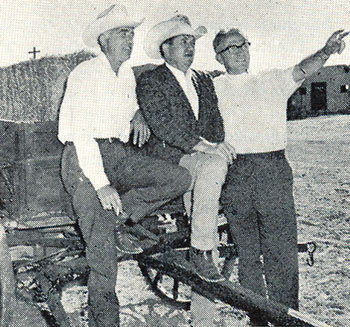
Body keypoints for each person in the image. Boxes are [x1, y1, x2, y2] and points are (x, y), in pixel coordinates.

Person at [58, 4, 191, 326]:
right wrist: (101, 185)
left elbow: (130, 104)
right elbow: (81, 135)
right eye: (122, 33)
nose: (129, 40)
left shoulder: (126, 74)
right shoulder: (85, 73)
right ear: (103, 39)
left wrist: (138, 114)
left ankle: (121, 222)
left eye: (131, 34)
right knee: (104, 261)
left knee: (178, 178)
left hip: (118, 155)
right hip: (83, 160)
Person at [213, 28, 348, 326]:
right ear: (218, 57)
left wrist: (326, 51)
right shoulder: (212, 88)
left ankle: (288, 317)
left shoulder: (271, 80)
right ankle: (257, 317)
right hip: (235, 173)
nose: (239, 51)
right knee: (248, 253)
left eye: (242, 44)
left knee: (281, 251)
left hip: (273, 170)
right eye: (230, 48)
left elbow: (303, 68)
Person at [136, 14, 236, 327]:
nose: (189, 46)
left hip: (200, 163)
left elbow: (216, 122)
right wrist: (205, 146)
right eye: (182, 41)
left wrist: (216, 145)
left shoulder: (203, 80)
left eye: (192, 41)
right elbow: (163, 124)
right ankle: (202, 251)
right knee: (211, 168)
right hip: (169, 162)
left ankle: (204, 316)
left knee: (212, 172)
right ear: (165, 49)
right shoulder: (152, 80)